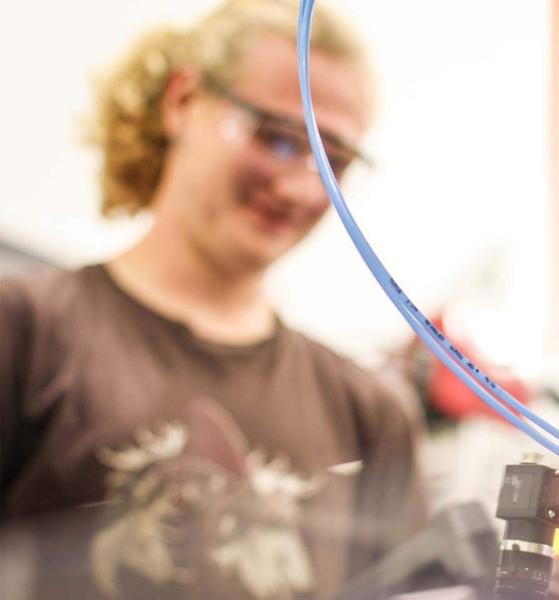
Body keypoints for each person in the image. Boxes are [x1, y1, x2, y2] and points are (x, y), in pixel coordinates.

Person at [0, 1, 427, 598]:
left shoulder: (370, 413)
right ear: (183, 102)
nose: (300, 186)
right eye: (277, 140)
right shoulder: (25, 331)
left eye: (333, 161)